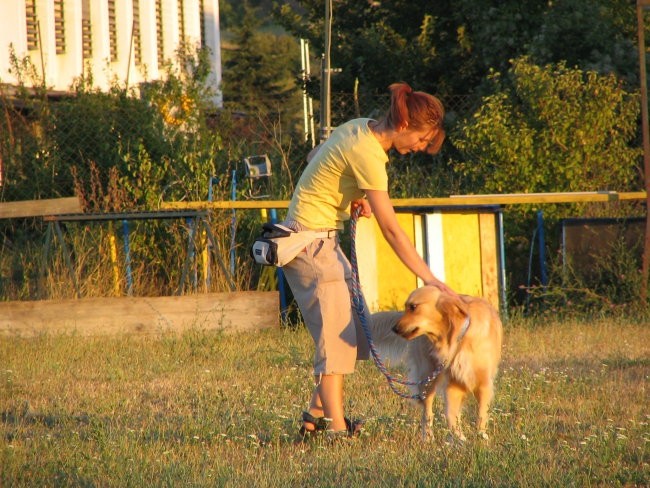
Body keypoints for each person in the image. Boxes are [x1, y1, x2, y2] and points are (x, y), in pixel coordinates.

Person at [281, 82, 457, 440]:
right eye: (422, 141)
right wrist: (430, 280)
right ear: (406, 126)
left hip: (320, 239)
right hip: (309, 244)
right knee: (335, 345)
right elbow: (392, 230)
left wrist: (350, 198)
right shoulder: (371, 155)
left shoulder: (359, 126)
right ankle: (337, 430)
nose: (419, 149)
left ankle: (312, 421)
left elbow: (317, 157)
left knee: (351, 337)